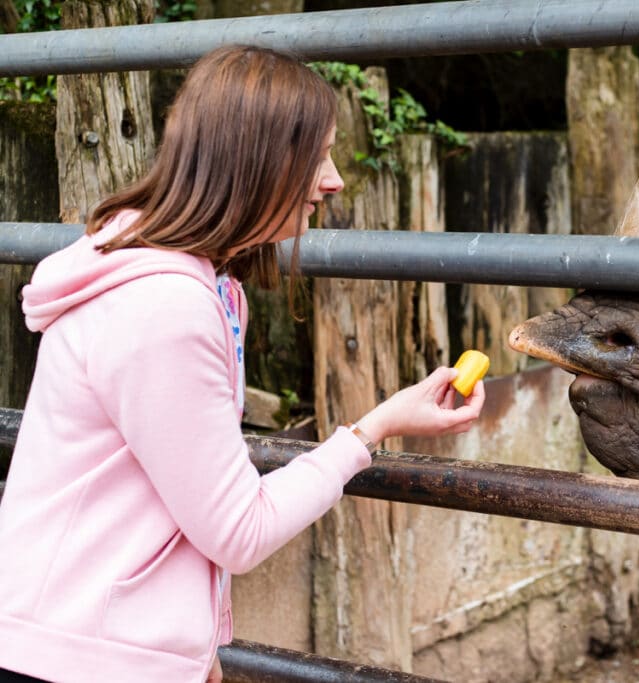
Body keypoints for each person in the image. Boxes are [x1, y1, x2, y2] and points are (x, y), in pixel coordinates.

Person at [0, 45, 485, 683]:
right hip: (76, 657)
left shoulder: (196, 287)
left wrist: (192, 650)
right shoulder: (164, 307)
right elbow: (238, 529)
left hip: (84, 643)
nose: (334, 180)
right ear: (257, 160)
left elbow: (174, 489)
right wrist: (372, 432)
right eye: (320, 156)